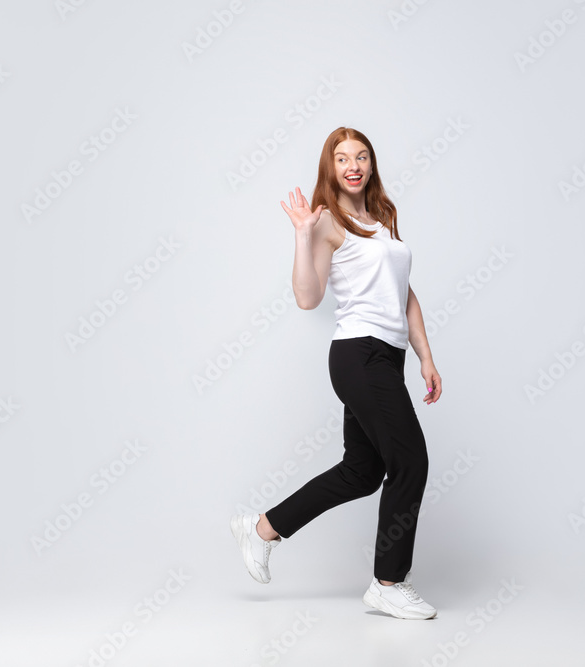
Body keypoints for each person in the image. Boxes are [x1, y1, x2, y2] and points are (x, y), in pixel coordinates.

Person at [230, 127, 443, 620]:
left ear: (371, 164)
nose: (353, 165)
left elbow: (405, 293)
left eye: (361, 156)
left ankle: (262, 529)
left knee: (362, 472)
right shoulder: (327, 220)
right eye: (342, 158)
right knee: (411, 461)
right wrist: (302, 236)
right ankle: (389, 583)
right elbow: (308, 298)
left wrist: (425, 357)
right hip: (358, 354)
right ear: (330, 166)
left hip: (387, 355)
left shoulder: (383, 218)